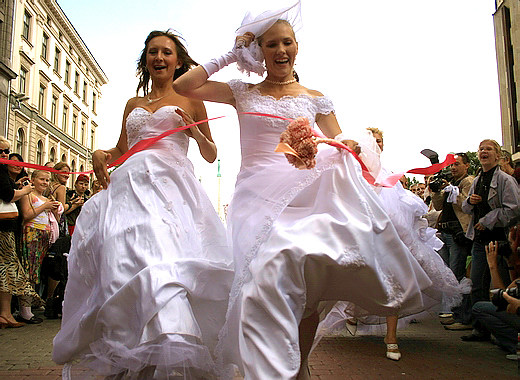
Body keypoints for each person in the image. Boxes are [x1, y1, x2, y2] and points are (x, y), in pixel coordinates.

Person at [173, 5, 436, 378]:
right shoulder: (241, 92)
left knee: (308, 287)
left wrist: (350, 145)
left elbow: (338, 138)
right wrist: (232, 54)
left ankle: (301, 363)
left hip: (306, 194)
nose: (280, 51)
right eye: (270, 44)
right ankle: (270, 367)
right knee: (263, 275)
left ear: (297, 47)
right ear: (259, 50)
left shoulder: (315, 96)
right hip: (256, 196)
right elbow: (185, 86)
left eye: (287, 43)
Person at [52, 30, 233, 380]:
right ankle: (130, 348)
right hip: (128, 191)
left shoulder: (192, 98)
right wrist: (100, 154)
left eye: (167, 52)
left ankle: (170, 342)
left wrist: (194, 133)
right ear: (145, 60)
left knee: (163, 263)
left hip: (170, 192)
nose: (159, 58)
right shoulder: (133, 105)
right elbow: (122, 150)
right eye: (153, 52)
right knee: (125, 262)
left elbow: (211, 155)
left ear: (178, 60)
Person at [319, 128, 466, 361]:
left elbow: (403, 208)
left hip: (391, 240)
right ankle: (353, 312)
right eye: (372, 141)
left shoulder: (389, 176)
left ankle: (391, 337)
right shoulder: (353, 173)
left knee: (394, 283)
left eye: (379, 141)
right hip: (363, 240)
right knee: (355, 280)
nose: (376, 144)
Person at [461, 139, 520, 341]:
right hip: (479, 241)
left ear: (497, 156)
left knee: (501, 286)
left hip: (499, 241)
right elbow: (465, 209)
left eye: (489, 149)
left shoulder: (505, 180)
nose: (484, 152)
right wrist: (470, 201)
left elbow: (514, 209)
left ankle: (506, 332)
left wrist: (488, 220)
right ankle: (481, 328)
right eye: (481, 149)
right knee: (477, 284)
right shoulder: (477, 180)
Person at [431, 153, 474, 330]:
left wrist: (452, 190)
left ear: (467, 166)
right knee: (445, 274)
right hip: (445, 232)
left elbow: (467, 204)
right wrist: (436, 190)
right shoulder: (451, 183)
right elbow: (439, 205)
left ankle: (460, 315)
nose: (453, 168)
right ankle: (452, 312)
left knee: (455, 274)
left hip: (458, 234)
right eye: (451, 166)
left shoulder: (468, 182)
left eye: (456, 164)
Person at [0, 137, 39, 328]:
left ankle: (5, 313)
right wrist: (25, 191)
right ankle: (6, 313)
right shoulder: (0, 173)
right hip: (4, 229)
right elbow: (7, 195)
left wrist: (16, 186)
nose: (5, 155)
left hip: (7, 228)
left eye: (6, 151)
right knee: (8, 268)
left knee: (7, 268)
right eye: (1, 152)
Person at [19, 170, 62, 324]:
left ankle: (31, 305)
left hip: (45, 235)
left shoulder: (46, 198)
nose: (45, 182)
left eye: (47, 180)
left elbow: (55, 218)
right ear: (33, 179)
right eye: (41, 179)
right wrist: (45, 206)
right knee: (29, 270)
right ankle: (25, 310)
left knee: (37, 272)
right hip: (31, 233)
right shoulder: (28, 194)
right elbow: (27, 215)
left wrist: (54, 209)